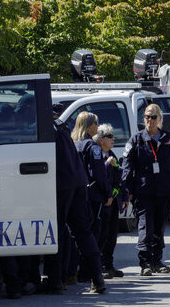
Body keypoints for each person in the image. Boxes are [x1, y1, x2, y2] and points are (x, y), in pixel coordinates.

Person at [43, 114, 106, 294]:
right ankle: (97, 279)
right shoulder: (60, 127)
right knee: (82, 231)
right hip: (77, 183)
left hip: (61, 185)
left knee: (58, 232)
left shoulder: (44, 126)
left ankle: (56, 281)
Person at [121, 104, 170, 276]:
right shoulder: (136, 140)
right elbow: (127, 167)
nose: (150, 120)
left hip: (164, 191)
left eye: (154, 117)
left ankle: (157, 261)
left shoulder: (168, 139)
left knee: (159, 229)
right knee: (145, 228)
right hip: (143, 192)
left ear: (160, 119)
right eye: (147, 117)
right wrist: (127, 189)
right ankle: (145, 263)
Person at [71, 112, 109, 283]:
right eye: (96, 123)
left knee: (74, 235)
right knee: (92, 234)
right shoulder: (92, 146)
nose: (98, 127)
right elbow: (98, 174)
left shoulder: (72, 144)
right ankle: (88, 273)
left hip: (73, 196)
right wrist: (108, 193)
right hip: (92, 196)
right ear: (88, 126)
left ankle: (73, 271)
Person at [97, 124, 128, 279]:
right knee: (102, 236)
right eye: (109, 136)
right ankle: (101, 266)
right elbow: (97, 176)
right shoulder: (97, 155)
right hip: (103, 202)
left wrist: (123, 196)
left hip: (114, 202)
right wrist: (106, 164)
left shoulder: (112, 155)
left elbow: (119, 176)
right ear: (101, 139)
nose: (113, 139)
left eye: (113, 136)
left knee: (112, 236)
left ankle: (109, 265)